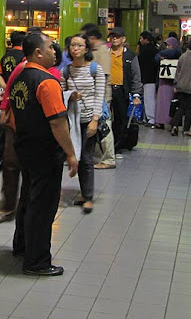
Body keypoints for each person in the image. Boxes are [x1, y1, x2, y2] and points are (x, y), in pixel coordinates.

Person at [8, 32, 78, 276]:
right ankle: (37, 260)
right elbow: (58, 123)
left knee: (28, 198)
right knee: (43, 206)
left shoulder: (20, 78)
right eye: (50, 47)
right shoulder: (47, 82)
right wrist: (71, 153)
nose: (54, 51)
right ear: (38, 52)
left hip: (25, 147)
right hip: (45, 152)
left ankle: (22, 246)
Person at [60, 34, 104, 214]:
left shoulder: (95, 69)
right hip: (72, 120)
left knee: (86, 159)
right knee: (75, 157)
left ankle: (88, 197)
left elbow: (99, 96)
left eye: (80, 45)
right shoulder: (66, 71)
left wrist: (95, 120)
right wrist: (71, 95)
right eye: (72, 45)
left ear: (86, 49)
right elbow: (61, 94)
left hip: (88, 119)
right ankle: (84, 193)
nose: (76, 48)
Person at [81, 24, 115, 169]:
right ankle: (98, 157)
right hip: (92, 96)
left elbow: (104, 75)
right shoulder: (94, 50)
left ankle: (108, 159)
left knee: (104, 126)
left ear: (92, 38)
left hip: (101, 96)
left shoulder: (102, 51)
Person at [108, 27, 143, 159]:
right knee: (104, 119)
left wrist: (136, 94)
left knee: (120, 119)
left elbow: (135, 76)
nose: (114, 39)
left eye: (117, 36)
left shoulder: (130, 56)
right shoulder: (105, 54)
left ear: (123, 39)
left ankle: (117, 147)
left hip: (121, 90)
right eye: (112, 36)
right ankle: (104, 147)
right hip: (107, 89)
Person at [154, 36, 181, 129]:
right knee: (164, 103)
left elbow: (164, 54)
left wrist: (161, 54)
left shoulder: (177, 52)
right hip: (166, 81)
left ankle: (168, 121)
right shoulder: (178, 53)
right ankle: (163, 121)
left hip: (169, 81)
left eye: (169, 45)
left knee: (169, 103)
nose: (168, 47)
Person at [138, 31, 158, 127]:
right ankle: (149, 118)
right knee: (150, 98)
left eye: (142, 38)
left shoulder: (146, 50)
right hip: (152, 77)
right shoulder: (154, 49)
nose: (140, 40)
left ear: (146, 39)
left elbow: (140, 62)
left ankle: (151, 119)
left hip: (148, 78)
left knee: (148, 99)